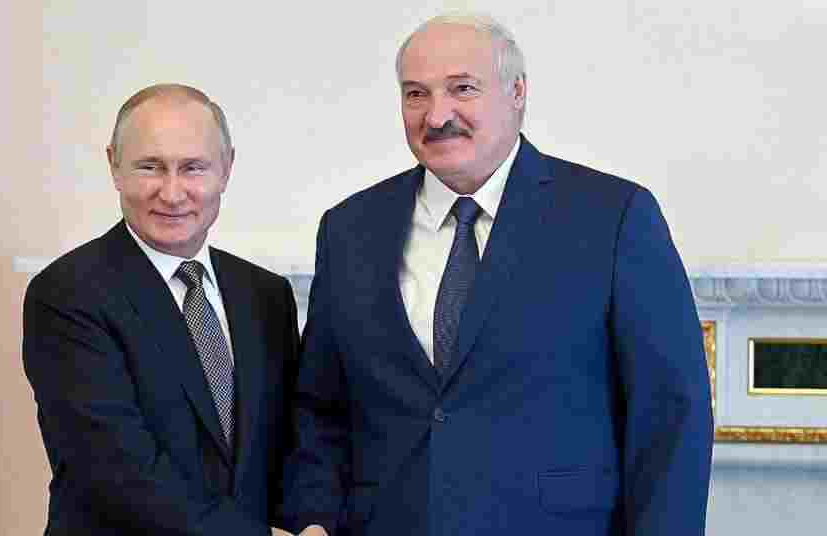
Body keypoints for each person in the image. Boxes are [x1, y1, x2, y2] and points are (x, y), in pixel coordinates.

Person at [280, 13, 713, 536]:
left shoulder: (612, 218)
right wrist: (313, 519)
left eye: (462, 88)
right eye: (416, 94)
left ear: (517, 92)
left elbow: (670, 415)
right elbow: (321, 410)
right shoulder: (350, 229)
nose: (437, 115)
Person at [23, 84, 299, 535]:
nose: (172, 193)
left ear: (227, 169)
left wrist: (312, 522)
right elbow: (116, 470)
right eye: (150, 167)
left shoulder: (265, 295)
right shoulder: (68, 294)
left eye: (193, 168)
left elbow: (287, 444)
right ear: (114, 165)